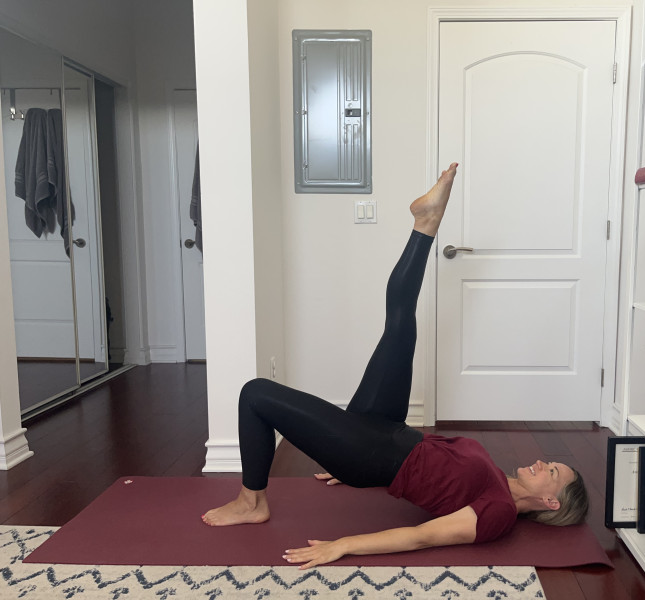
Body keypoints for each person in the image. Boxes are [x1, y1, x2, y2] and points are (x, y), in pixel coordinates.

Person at [202, 162, 589, 568]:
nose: (543, 463)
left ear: (551, 502)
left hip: (368, 453)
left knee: (255, 394)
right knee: (401, 322)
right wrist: (338, 451)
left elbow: (422, 537)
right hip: (387, 430)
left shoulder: (498, 513)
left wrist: (344, 544)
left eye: (552, 472)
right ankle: (427, 223)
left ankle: (252, 502)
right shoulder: (496, 477)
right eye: (552, 463)